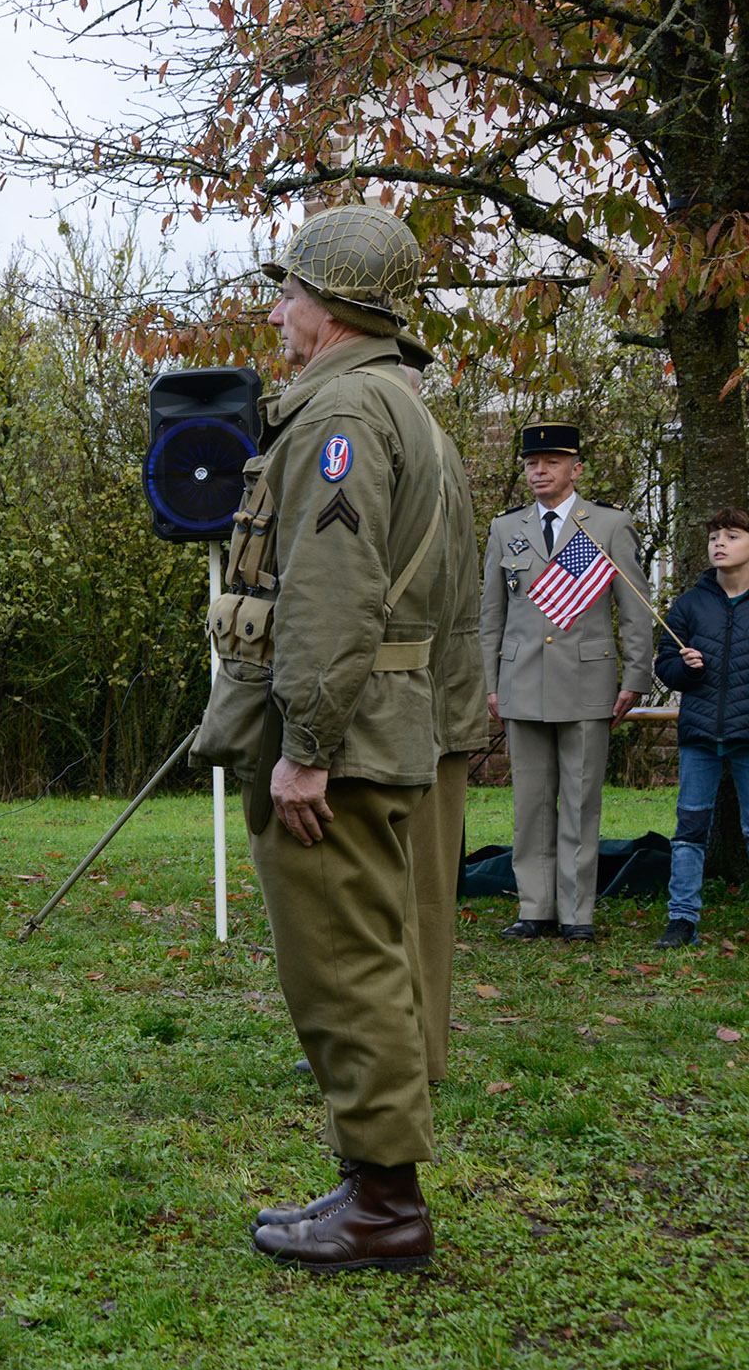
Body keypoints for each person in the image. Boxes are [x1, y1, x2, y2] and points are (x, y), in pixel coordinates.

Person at [193, 205, 450, 1271]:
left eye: (289, 292)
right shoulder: (406, 407)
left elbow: (330, 597)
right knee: (377, 960)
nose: (275, 309)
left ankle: (383, 1203)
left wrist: (304, 744)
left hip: (337, 745)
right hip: (390, 728)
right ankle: (367, 1181)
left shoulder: (342, 412)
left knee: (341, 968)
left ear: (335, 310)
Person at [479, 423, 653, 943]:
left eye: (551, 462)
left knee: (580, 802)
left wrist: (638, 677)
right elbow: (491, 614)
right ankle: (535, 908)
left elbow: (635, 610)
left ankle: (578, 914)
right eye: (532, 463)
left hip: (586, 680)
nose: (539, 471)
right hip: (522, 681)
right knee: (531, 804)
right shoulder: (505, 529)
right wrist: (491, 681)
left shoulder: (607, 524)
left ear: (575, 469)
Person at [400, 354, 487, 1083]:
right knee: (414, 891)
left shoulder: (412, 446)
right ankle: (403, 1048)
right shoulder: (434, 443)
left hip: (419, 699)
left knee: (419, 891)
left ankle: (411, 1055)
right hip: (432, 697)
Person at [652, 507, 749, 949]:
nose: (720, 543)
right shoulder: (689, 604)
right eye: (714, 537)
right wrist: (685, 668)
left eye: (731, 535)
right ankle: (682, 920)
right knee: (689, 830)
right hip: (699, 738)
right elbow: (666, 667)